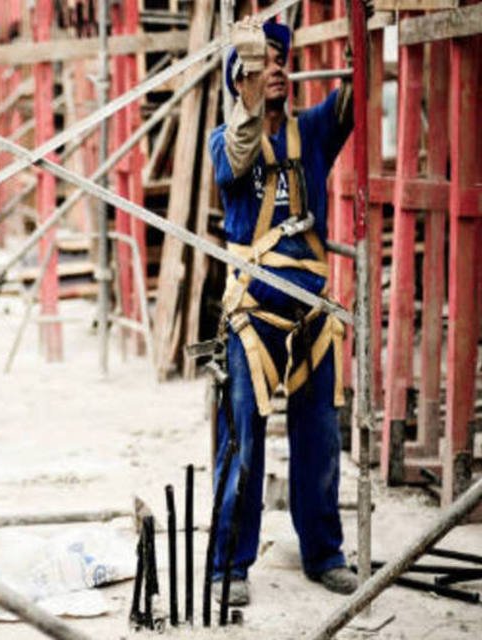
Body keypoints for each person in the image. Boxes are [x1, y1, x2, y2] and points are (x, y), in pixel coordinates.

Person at [206, 14, 368, 606]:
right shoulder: (225, 142)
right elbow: (238, 158)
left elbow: (357, 95)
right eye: (260, 61)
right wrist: (246, 90)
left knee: (321, 436)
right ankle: (229, 564)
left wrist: (363, 37)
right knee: (241, 436)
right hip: (253, 312)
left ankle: (323, 552)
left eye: (280, 59)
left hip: (312, 314)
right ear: (239, 76)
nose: (276, 68)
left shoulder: (315, 131)